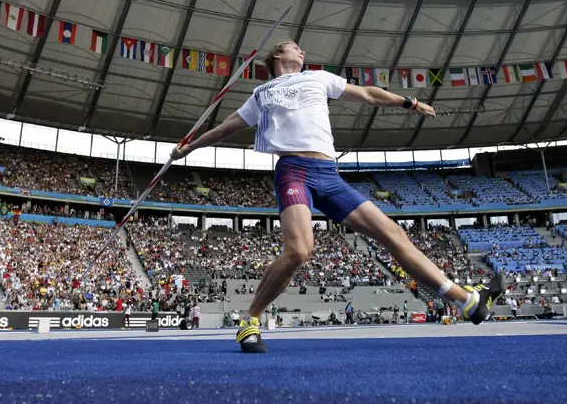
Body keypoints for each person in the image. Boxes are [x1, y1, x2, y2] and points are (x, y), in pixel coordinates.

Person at [171, 40, 503, 353]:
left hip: (329, 176)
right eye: (293, 46)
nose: (301, 50)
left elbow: (368, 95)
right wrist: (189, 147)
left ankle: (466, 301)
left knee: (394, 234)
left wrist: (408, 102)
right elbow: (226, 126)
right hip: (294, 171)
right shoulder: (262, 93)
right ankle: (250, 319)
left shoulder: (318, 77)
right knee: (300, 250)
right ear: (276, 56)